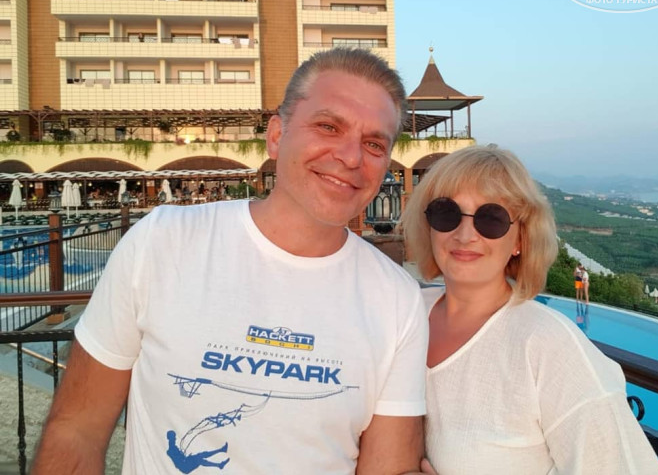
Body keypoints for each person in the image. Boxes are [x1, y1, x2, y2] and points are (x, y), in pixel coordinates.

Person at [33, 48, 428, 474]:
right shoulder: (163, 243)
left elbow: (388, 467)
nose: (351, 157)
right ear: (276, 136)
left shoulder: (397, 300)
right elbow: (76, 429)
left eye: (374, 144)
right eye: (328, 126)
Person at [401, 145, 658, 475]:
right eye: (446, 213)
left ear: (519, 240)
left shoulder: (549, 346)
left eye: (491, 219)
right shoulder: (405, 314)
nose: (464, 235)